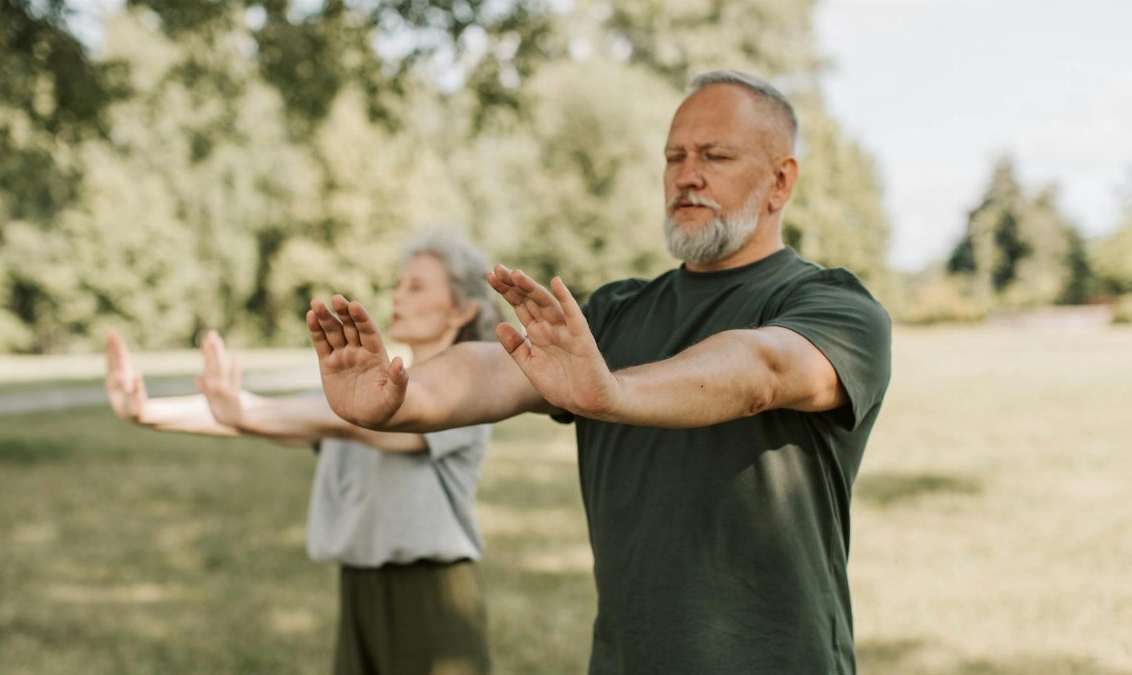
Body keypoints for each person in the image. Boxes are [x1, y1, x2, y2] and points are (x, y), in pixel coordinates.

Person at [306, 70, 892, 674]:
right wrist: (397, 402)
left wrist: (614, 394)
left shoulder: (836, 306)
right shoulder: (616, 314)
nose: (688, 174)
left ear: (780, 181)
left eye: (715, 155)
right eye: (674, 157)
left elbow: (762, 370)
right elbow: (494, 369)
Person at [105, 229, 503, 675]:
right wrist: (144, 411)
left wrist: (243, 410)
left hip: (431, 594)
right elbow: (286, 417)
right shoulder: (360, 391)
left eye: (416, 286)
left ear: (464, 308)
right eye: (398, 284)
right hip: (359, 584)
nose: (397, 296)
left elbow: (356, 425)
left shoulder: (468, 390)